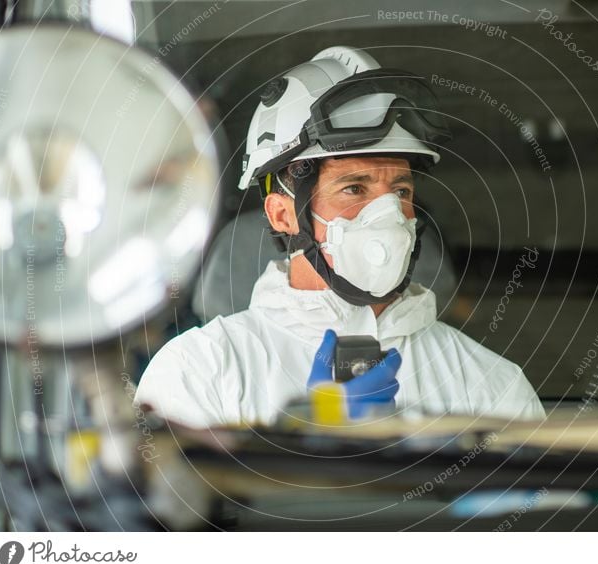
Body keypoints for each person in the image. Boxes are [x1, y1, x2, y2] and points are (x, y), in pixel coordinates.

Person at [135, 46, 545, 428]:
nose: (387, 215)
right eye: (354, 189)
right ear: (283, 214)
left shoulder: (494, 387)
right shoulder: (201, 371)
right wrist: (318, 444)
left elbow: (542, 506)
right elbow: (161, 504)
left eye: (400, 192)